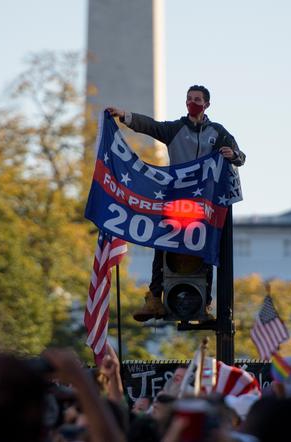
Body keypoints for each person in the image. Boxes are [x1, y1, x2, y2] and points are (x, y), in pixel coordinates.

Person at [106, 85, 246, 322]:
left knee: (206, 247)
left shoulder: (217, 131)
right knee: (163, 242)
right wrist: (124, 115)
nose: (192, 102)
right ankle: (154, 298)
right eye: (189, 99)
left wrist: (233, 155)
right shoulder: (175, 128)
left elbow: (240, 156)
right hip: (176, 200)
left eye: (197, 99)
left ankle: (205, 304)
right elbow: (151, 126)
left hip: (203, 204)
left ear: (207, 104)